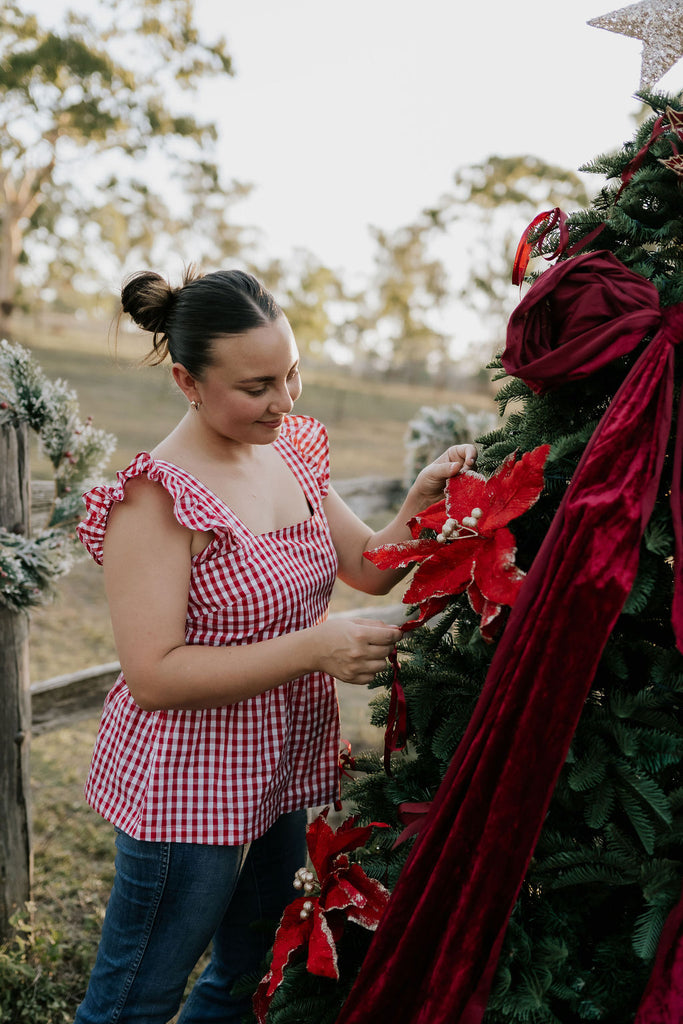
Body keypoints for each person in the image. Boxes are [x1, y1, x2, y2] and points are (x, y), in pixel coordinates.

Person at [73, 266, 477, 1024]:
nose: (284, 401)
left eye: (291, 374)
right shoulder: (155, 501)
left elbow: (365, 567)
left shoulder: (289, 450)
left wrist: (418, 504)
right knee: (138, 996)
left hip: (281, 766)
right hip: (185, 786)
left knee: (250, 967)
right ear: (187, 382)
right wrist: (314, 649)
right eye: (256, 386)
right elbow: (153, 676)